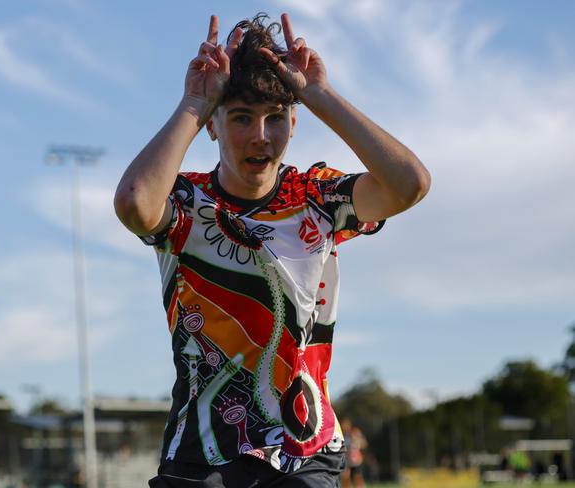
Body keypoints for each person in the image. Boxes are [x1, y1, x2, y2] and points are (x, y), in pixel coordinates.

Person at [114, 12, 430, 487]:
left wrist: (321, 96)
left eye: (275, 118)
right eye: (241, 118)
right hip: (202, 454)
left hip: (303, 449)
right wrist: (195, 103)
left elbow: (409, 184)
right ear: (213, 128)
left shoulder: (316, 198)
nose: (260, 135)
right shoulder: (184, 206)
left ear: (293, 122)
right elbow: (135, 203)